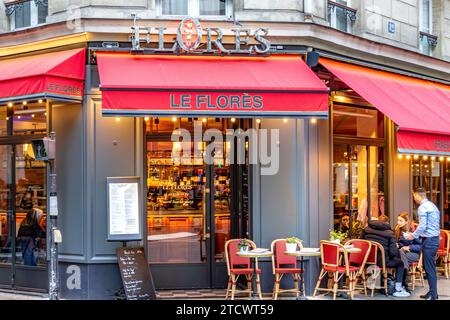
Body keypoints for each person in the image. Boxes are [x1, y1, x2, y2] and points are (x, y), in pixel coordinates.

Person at [360, 215, 410, 297]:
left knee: (384, 260)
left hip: (367, 260)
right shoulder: (390, 233)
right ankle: (398, 289)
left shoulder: (366, 230)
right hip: (381, 261)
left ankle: (374, 284)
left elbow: (361, 243)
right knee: (400, 263)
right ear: (387, 223)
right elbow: (393, 252)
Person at [405, 187, 441, 300]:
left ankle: (433, 295)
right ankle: (432, 292)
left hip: (429, 240)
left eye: (414, 196)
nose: (414, 198)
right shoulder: (432, 206)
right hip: (434, 239)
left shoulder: (422, 207)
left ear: (417, 195)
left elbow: (422, 226)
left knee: (429, 267)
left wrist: (412, 235)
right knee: (428, 266)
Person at [395, 212, 422, 291]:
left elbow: (420, 246)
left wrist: (409, 247)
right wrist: (397, 245)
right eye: (398, 220)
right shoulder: (397, 230)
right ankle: (404, 280)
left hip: (412, 253)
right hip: (401, 253)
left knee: (400, 259)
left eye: (400, 220)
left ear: (406, 221)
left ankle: (399, 283)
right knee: (401, 257)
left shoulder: (413, 231)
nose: (398, 222)